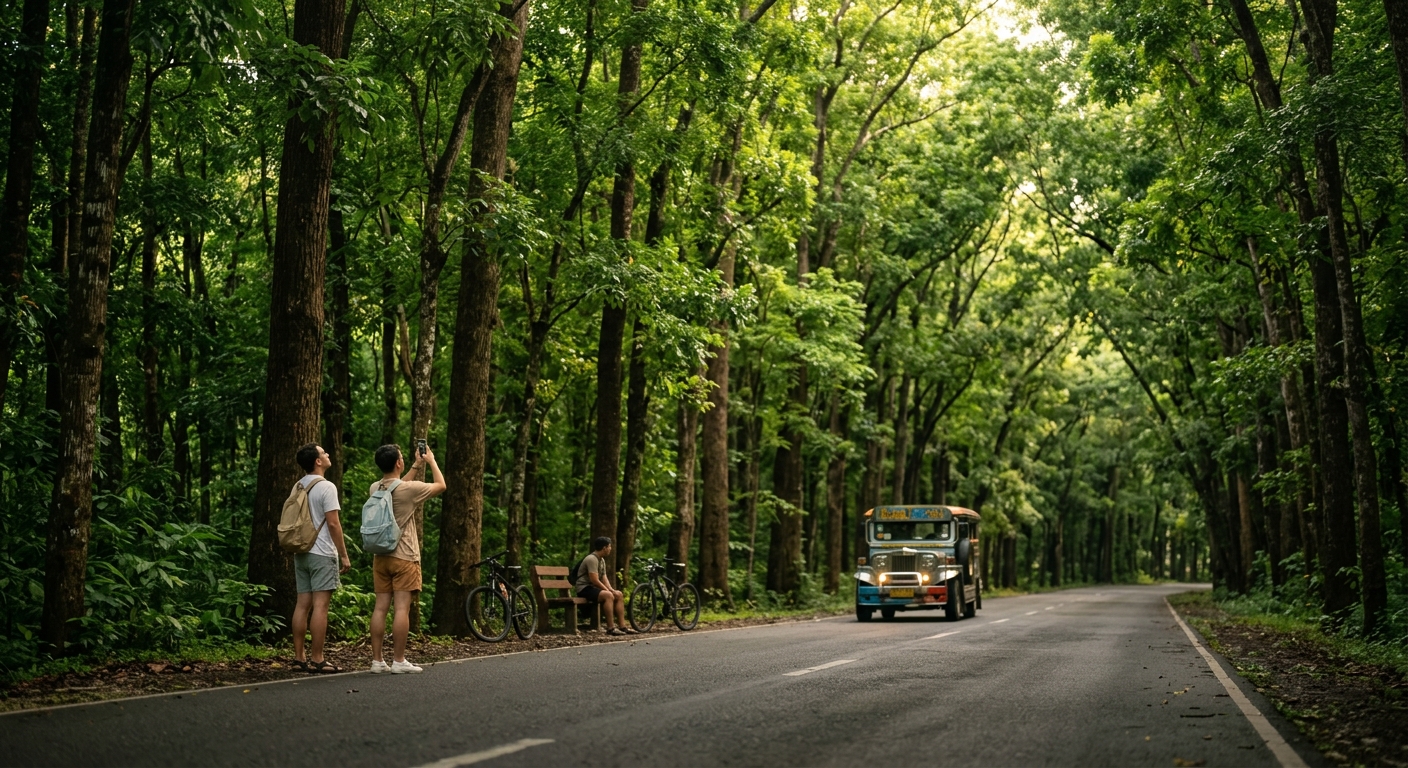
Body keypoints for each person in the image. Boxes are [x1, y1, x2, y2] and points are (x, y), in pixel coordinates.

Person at [368, 443, 446, 674]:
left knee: (380, 608)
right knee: (401, 609)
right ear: (398, 463)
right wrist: (430, 460)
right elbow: (441, 485)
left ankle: (377, 661)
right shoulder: (409, 490)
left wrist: (415, 465)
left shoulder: (375, 488)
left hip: (381, 556)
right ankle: (399, 661)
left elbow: (397, 485)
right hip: (404, 557)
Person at [291, 443, 350, 674]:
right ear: (317, 461)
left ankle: (299, 658)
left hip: (301, 551)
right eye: (324, 452)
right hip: (322, 552)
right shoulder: (326, 487)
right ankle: (317, 659)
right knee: (321, 607)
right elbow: (333, 523)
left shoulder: (298, 486)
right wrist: (343, 555)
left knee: (302, 605)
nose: (327, 454)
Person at [576, 536, 635, 636]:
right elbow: (594, 580)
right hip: (584, 588)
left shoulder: (601, 560)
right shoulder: (591, 559)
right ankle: (611, 628)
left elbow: (604, 577)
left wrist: (611, 589)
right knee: (608, 596)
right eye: (609, 546)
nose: (610, 549)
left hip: (592, 588)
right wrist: (608, 591)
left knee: (618, 594)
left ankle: (623, 626)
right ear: (604, 548)